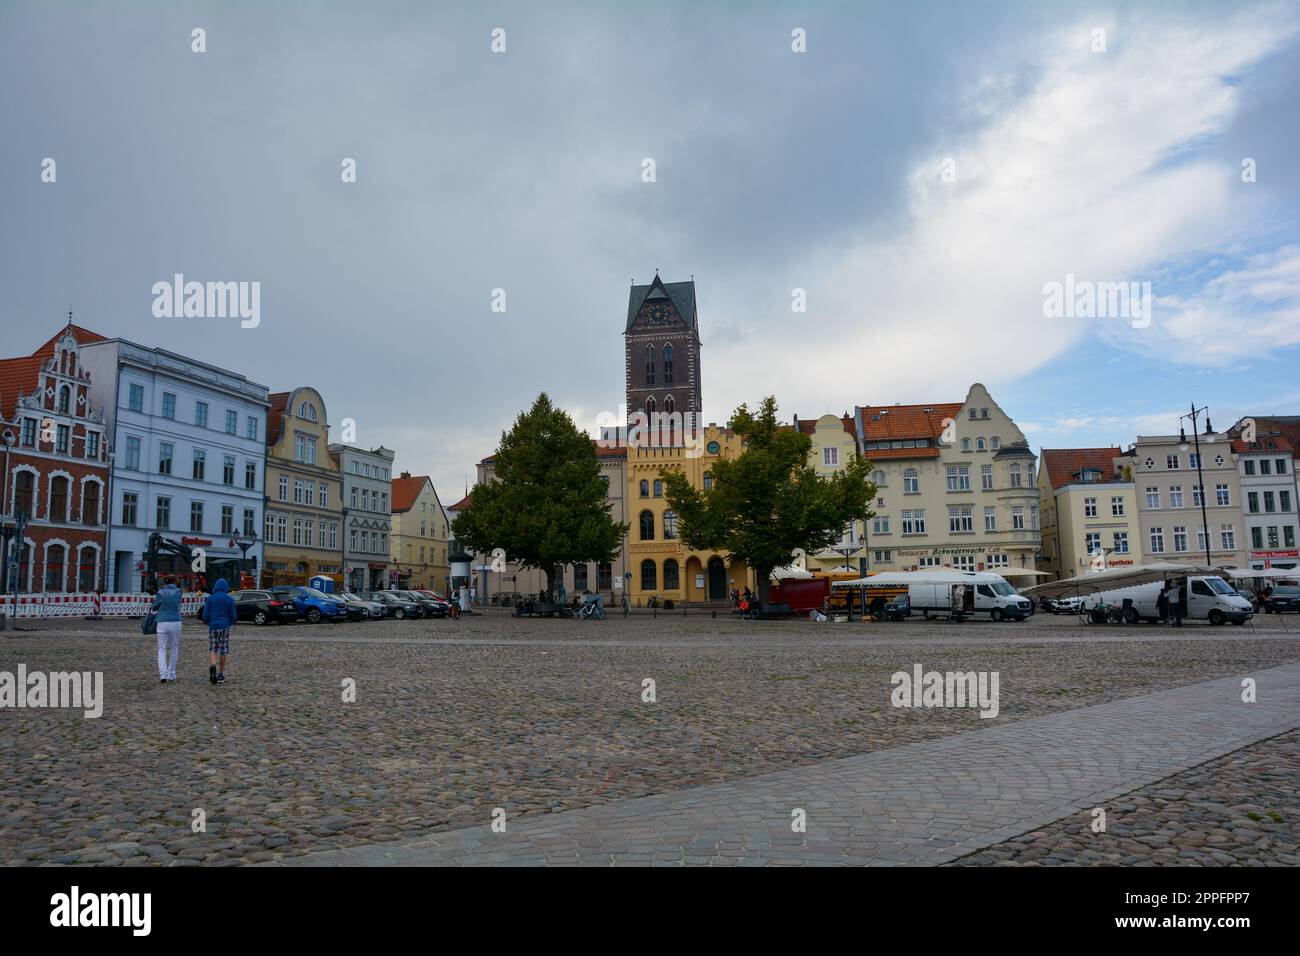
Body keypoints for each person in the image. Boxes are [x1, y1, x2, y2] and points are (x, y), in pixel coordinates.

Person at [201, 577, 237, 684]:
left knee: (213, 649)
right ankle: (220, 674)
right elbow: (233, 616)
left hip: (213, 626)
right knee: (223, 650)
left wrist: (210, 623)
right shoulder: (229, 599)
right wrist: (228, 623)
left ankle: (213, 666)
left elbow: (205, 615)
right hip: (224, 626)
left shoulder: (210, 599)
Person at [151, 576, 183, 683]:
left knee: (161, 649)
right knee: (174, 648)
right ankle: (171, 674)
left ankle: (163, 675)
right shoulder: (179, 592)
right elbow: (178, 603)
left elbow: (154, 606)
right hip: (175, 621)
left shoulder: (161, 593)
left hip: (162, 621)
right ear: (175, 581)